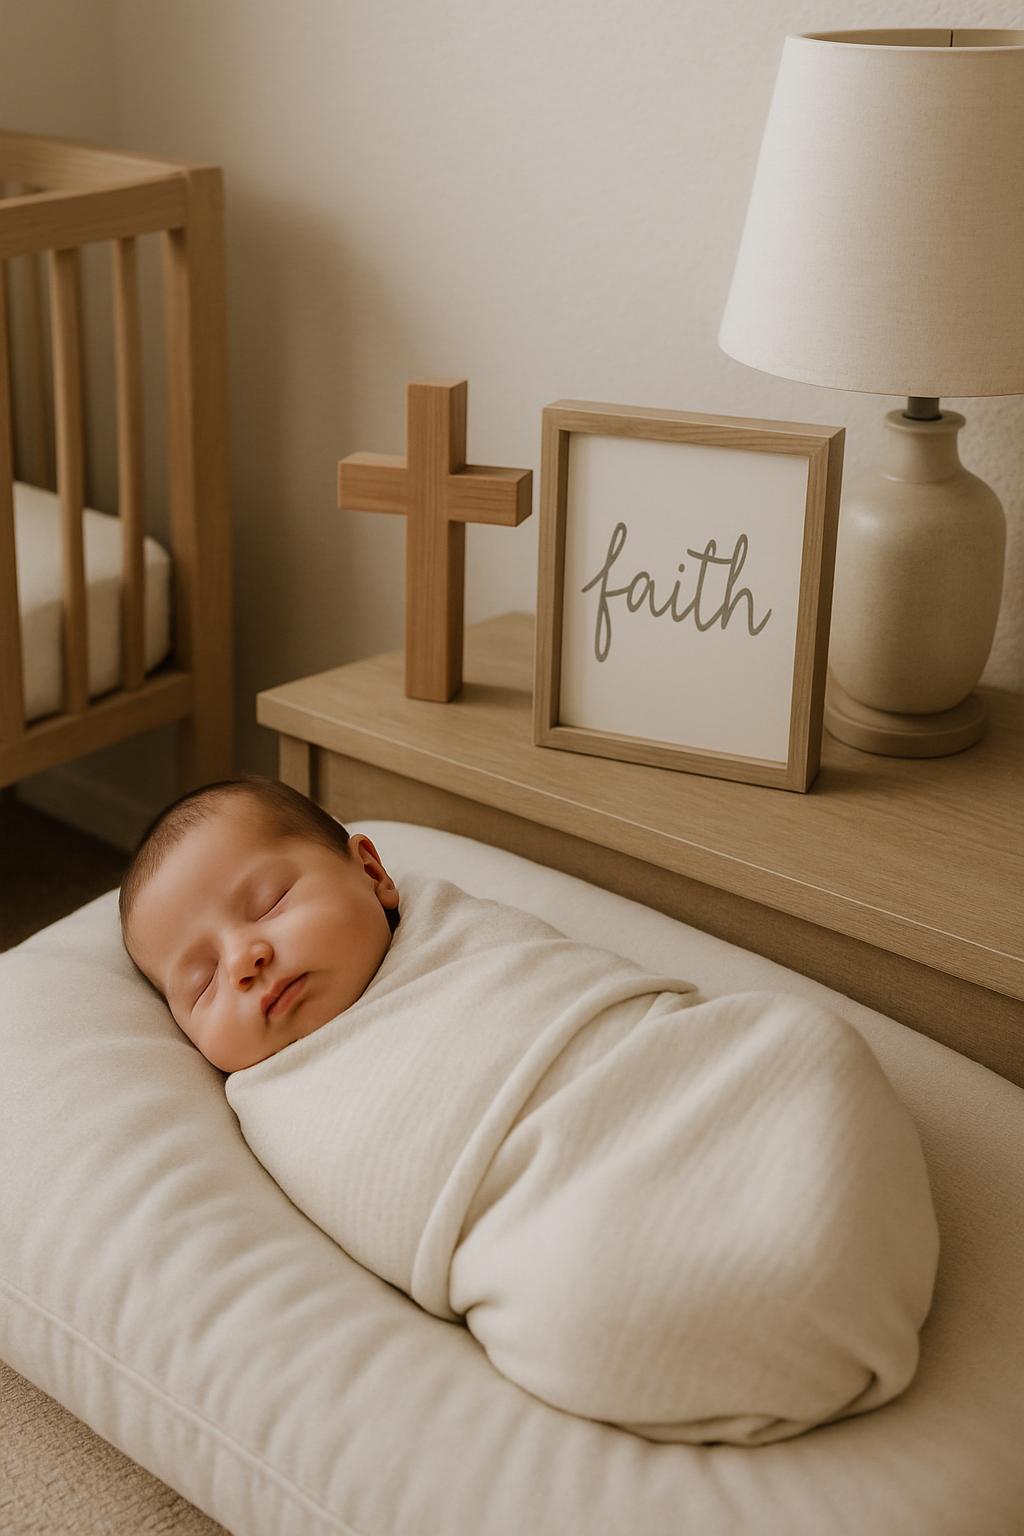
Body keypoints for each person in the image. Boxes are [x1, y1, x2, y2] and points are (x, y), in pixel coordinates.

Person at [120, 775, 401, 1073]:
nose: (240, 960)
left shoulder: (444, 942)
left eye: (270, 904)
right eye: (203, 982)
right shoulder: (243, 1098)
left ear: (371, 872)